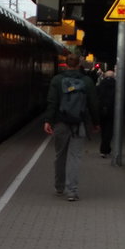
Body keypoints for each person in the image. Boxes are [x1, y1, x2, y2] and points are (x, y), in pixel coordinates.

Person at [42, 53, 101, 201]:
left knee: (60, 155)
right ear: (79, 64)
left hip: (61, 123)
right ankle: (72, 191)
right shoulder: (87, 81)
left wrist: (48, 120)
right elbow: (94, 104)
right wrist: (96, 122)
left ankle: (59, 187)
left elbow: (52, 102)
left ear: (66, 64)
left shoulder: (57, 80)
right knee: (75, 157)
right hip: (79, 124)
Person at [96, 70, 117, 158]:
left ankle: (105, 149)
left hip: (101, 110)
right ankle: (105, 149)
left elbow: (96, 97)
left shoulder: (100, 85)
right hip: (112, 110)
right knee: (110, 130)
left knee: (104, 129)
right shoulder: (117, 85)